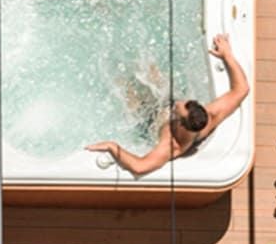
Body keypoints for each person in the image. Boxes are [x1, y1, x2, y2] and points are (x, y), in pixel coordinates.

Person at [85, 33, 249, 175]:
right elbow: (242, 89)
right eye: (187, 103)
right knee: (148, 69)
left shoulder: (171, 145)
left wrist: (112, 147)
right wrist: (227, 55)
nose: (179, 103)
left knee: (120, 84)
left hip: (147, 120)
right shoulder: (208, 116)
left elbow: (139, 167)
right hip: (162, 107)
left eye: (180, 109)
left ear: (181, 124)